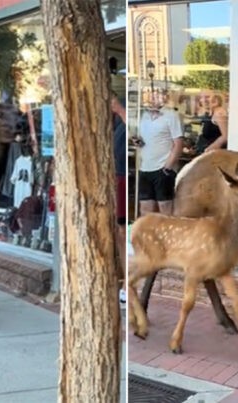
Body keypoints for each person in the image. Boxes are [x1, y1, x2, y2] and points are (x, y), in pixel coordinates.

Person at [136, 91, 184, 216]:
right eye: (150, 95)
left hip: (162, 167)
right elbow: (142, 140)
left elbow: (178, 143)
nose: (152, 98)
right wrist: (138, 141)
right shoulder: (144, 116)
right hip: (145, 167)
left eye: (156, 95)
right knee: (145, 208)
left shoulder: (171, 115)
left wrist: (168, 167)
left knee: (165, 208)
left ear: (164, 98)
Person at [110, 91, 127, 304]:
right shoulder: (115, 124)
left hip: (123, 176)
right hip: (114, 176)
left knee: (122, 231)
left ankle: (126, 284)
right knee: (116, 230)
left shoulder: (126, 115)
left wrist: (119, 108)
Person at [194, 90, 229, 154]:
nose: (204, 100)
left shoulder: (219, 113)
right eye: (202, 97)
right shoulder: (209, 113)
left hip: (214, 156)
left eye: (207, 97)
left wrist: (208, 150)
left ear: (216, 99)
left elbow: (226, 136)